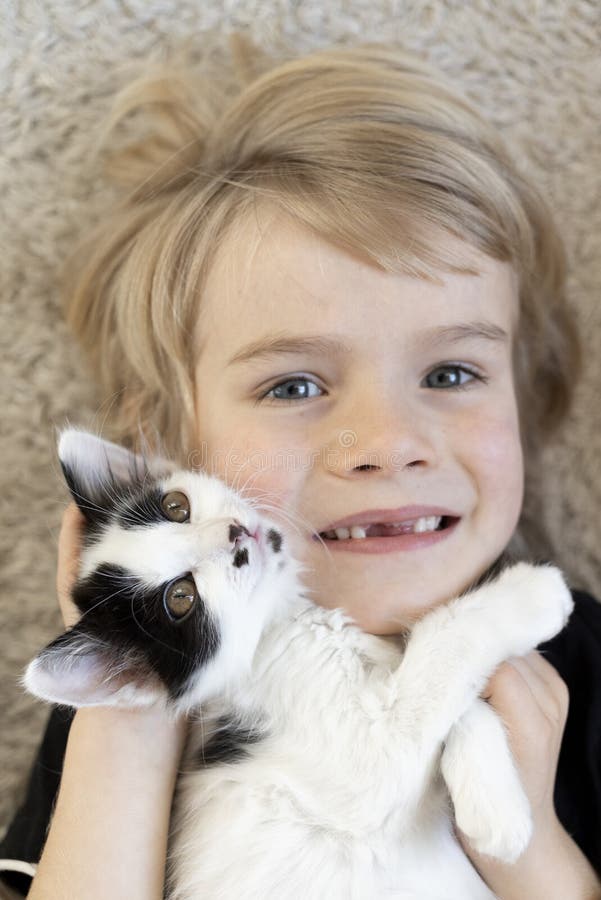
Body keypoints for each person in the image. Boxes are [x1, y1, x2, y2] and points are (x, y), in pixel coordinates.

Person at [1, 33, 600, 900]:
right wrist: (133, 704)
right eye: (293, 384)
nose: (389, 441)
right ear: (166, 441)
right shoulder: (170, 672)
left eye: (449, 373)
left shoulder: (568, 658)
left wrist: (527, 844)